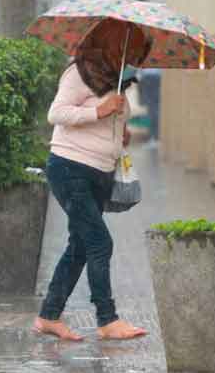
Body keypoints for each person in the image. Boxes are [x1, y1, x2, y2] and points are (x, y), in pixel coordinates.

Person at [33, 19, 150, 341]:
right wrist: (99, 112)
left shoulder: (118, 81)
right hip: (70, 167)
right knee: (100, 242)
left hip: (101, 170)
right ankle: (107, 319)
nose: (135, 61)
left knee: (80, 247)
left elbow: (108, 122)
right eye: (133, 53)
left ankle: (49, 316)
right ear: (113, 46)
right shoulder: (80, 73)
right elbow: (56, 114)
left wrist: (119, 131)